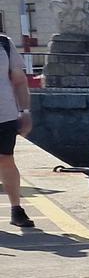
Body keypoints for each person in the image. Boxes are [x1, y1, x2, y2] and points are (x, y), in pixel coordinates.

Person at [1, 27, 34, 229]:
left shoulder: (4, 43)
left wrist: (25, 111)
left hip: (4, 115)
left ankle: (16, 209)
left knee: (6, 159)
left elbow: (20, 81)